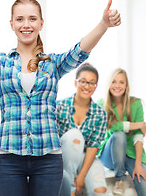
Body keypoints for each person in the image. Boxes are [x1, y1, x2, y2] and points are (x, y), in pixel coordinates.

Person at [0, 0, 121, 196]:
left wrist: (103, 25)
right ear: (11, 24)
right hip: (8, 160)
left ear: (41, 23)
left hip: (48, 159)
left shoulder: (53, 64)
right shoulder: (1, 64)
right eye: (20, 19)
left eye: (32, 18)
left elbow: (80, 51)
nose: (26, 24)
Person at [56, 63, 108, 196]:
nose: (87, 86)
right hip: (62, 157)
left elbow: (93, 147)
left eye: (92, 83)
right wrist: (72, 186)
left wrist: (81, 176)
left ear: (96, 86)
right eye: (83, 81)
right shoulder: (60, 106)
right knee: (75, 136)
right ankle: (71, 191)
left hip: (86, 158)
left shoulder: (100, 114)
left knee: (100, 191)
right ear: (75, 83)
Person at [97, 68, 146, 196]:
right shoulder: (101, 104)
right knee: (119, 135)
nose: (117, 86)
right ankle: (120, 179)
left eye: (121, 82)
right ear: (109, 84)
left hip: (131, 153)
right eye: (114, 82)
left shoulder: (136, 103)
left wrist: (138, 164)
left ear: (126, 85)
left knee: (142, 183)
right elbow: (112, 126)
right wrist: (139, 124)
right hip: (109, 154)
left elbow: (138, 135)